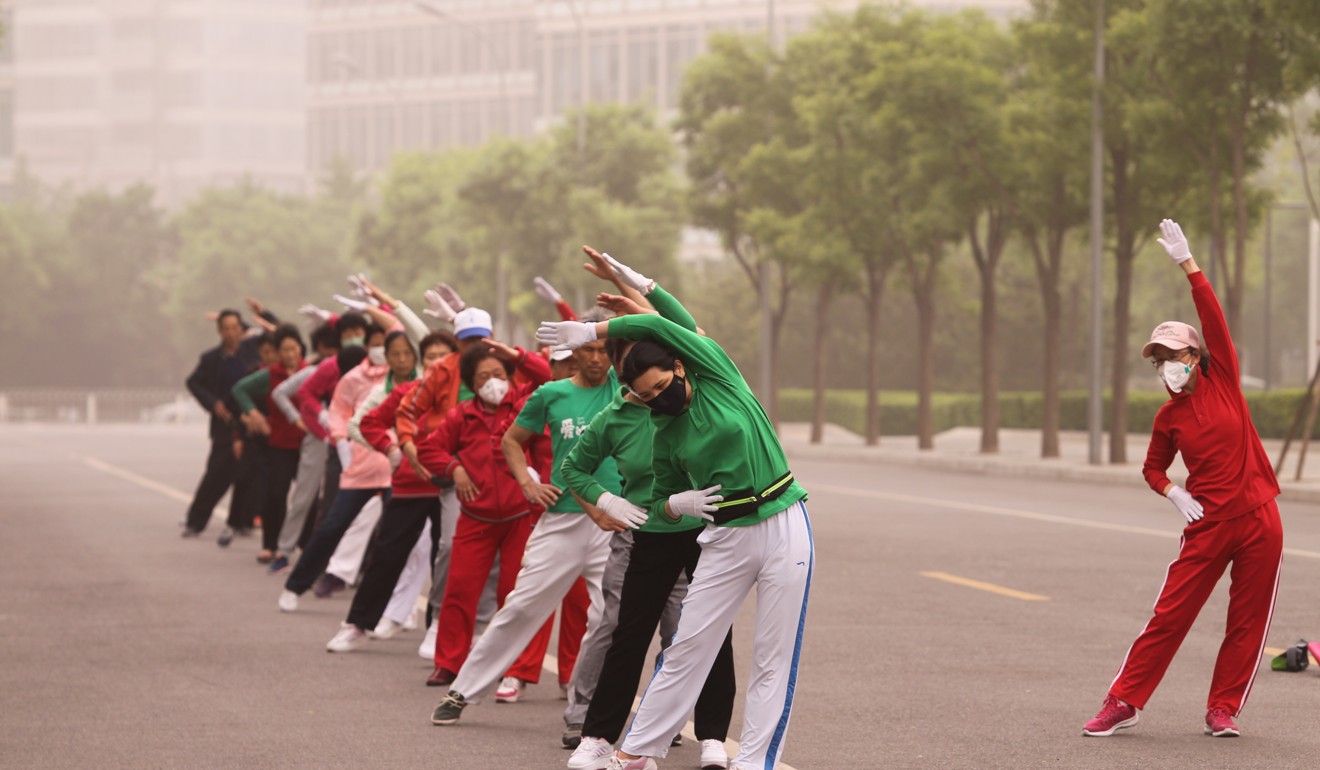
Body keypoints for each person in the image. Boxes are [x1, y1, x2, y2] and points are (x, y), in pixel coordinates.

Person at [534, 296, 812, 770]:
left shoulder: (720, 379)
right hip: (716, 533)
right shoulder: (661, 429)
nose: (659, 397)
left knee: (772, 655)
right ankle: (628, 750)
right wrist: (645, 504)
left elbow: (666, 323)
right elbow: (655, 494)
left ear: (682, 368)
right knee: (682, 644)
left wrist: (630, 298)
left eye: (663, 385)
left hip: (782, 518)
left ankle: (745, 758)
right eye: (647, 394)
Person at [1081, 219, 1284, 739]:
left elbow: (1212, 318)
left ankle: (1223, 710)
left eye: (1175, 355)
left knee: (1247, 622)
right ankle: (1123, 701)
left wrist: (1187, 265)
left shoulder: (1225, 381)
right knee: (1169, 616)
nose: (1168, 365)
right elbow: (1152, 467)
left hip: (1261, 517)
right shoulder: (1166, 419)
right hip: (1208, 524)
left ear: (1196, 357)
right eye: (1160, 359)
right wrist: (1173, 492)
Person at [560, 254, 733, 770]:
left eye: (645, 364)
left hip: (706, 524)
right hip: (652, 528)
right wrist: (605, 502)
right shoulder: (615, 415)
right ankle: (597, 737)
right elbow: (574, 469)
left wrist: (630, 285)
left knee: (708, 631)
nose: (639, 381)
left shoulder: (690, 387)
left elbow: (679, 326)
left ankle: (714, 739)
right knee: (627, 632)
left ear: (671, 363)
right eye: (625, 369)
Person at [428, 308, 622, 727]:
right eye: (587, 350)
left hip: (614, 523)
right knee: (521, 607)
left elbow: (680, 338)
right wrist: (528, 483)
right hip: (563, 521)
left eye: (603, 350)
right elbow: (512, 441)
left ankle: (595, 707)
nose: (595, 359)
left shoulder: (623, 390)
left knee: (610, 619)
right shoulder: (550, 395)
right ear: (572, 354)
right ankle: (463, 690)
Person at [182, 307, 274, 537]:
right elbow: (193, 383)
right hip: (226, 423)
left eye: (235, 327)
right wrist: (213, 403)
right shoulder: (211, 359)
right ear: (219, 331)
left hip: (253, 421)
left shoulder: (253, 351)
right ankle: (195, 522)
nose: (231, 333)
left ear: (240, 328)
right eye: (226, 328)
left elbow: (277, 331)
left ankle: (243, 521)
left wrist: (264, 313)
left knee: (251, 475)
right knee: (217, 474)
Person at [231, 324, 308, 564]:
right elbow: (239, 390)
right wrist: (252, 413)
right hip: (279, 445)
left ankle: (307, 545)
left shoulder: (312, 371)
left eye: (293, 349)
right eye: (284, 350)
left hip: (308, 445)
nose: (289, 354)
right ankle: (270, 545)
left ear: (300, 349)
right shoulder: (270, 374)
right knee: (276, 494)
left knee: (309, 498)